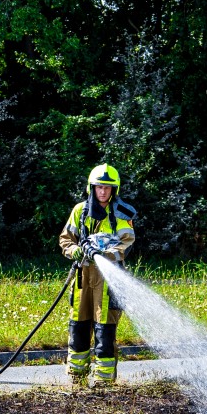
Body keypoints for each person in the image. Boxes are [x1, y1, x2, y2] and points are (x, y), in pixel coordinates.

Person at [59, 164, 136, 386]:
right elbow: (66, 239)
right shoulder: (79, 211)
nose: (103, 192)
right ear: (91, 188)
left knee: (105, 330)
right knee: (78, 326)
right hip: (82, 277)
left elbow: (127, 243)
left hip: (108, 280)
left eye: (107, 188)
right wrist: (77, 251)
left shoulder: (122, 214)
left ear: (115, 190)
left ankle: (104, 383)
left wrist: (104, 254)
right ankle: (77, 378)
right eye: (99, 187)